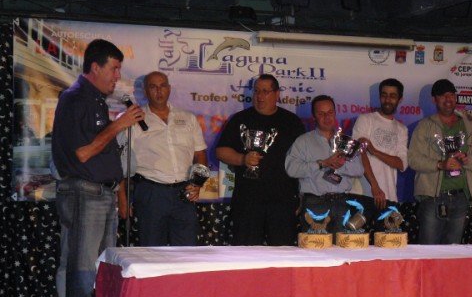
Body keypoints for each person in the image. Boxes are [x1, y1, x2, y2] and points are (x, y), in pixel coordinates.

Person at [52, 39, 144, 297]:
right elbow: (82, 153)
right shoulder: (75, 98)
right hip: (84, 193)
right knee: (82, 271)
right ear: (95, 67)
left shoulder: (95, 101)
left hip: (102, 194)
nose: (117, 76)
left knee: (102, 271)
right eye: (114, 69)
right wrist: (118, 125)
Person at [117, 71, 208, 246]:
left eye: (163, 86)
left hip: (184, 193)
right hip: (151, 192)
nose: (159, 91)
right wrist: (122, 198)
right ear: (145, 91)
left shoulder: (188, 118)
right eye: (153, 87)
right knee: (152, 250)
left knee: (186, 251)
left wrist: (198, 183)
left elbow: (200, 154)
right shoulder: (134, 119)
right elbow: (120, 159)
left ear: (169, 89)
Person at [216, 74, 305, 245]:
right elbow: (221, 151)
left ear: (277, 94)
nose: (259, 96)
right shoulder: (240, 119)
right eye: (256, 91)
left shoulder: (292, 122)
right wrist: (243, 159)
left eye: (265, 91)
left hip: (283, 199)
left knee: (283, 251)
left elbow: (302, 160)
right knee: (246, 251)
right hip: (248, 199)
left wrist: (302, 195)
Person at [408, 78, 472, 244]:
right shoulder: (424, 126)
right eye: (443, 95)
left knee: (453, 252)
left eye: (451, 95)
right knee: (428, 251)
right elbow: (413, 159)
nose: (448, 99)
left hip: (461, 198)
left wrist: (467, 159)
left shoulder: (469, 127)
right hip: (432, 198)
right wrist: (440, 165)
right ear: (434, 100)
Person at [285, 95, 365, 234]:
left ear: (335, 113)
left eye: (330, 112)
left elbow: (359, 170)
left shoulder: (346, 141)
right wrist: (322, 164)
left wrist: (341, 165)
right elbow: (291, 169)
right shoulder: (303, 141)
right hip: (315, 205)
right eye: (321, 113)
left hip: (342, 203)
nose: (326, 117)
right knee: (316, 246)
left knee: (342, 247)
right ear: (314, 117)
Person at [352, 78, 408, 225]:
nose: (387, 99)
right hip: (363, 195)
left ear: (400, 99)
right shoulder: (365, 119)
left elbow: (402, 164)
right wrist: (375, 187)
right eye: (384, 95)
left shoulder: (402, 129)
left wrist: (375, 151)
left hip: (389, 197)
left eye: (392, 96)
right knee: (357, 239)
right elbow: (359, 154)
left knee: (387, 239)